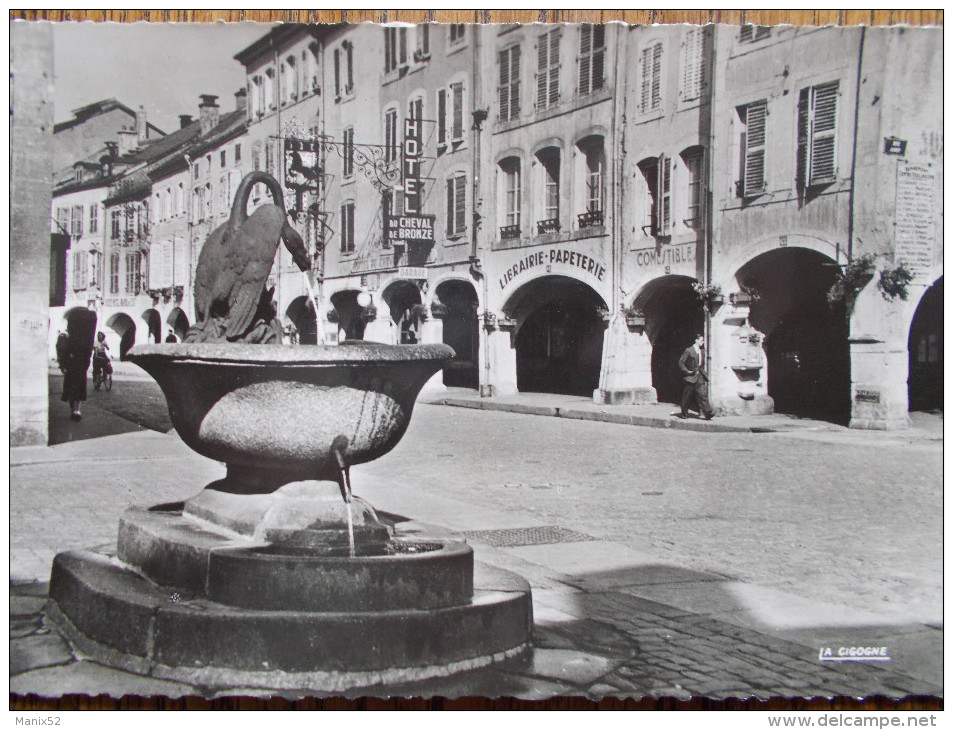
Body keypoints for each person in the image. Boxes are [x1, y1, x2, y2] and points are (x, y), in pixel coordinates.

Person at [59, 327, 93, 422]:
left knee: (79, 392)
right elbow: (64, 356)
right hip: (71, 370)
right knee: (71, 392)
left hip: (79, 371)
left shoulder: (84, 346)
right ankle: (73, 411)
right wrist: (64, 366)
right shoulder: (69, 343)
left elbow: (87, 358)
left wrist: (84, 367)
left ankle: (77, 411)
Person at [678, 333, 714, 420]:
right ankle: (684, 413)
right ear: (696, 340)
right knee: (687, 396)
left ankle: (708, 413)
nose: (703, 342)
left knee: (702, 394)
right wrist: (687, 371)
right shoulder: (689, 350)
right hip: (690, 377)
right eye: (701, 340)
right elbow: (681, 363)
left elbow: (701, 364)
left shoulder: (702, 351)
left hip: (699, 376)